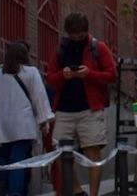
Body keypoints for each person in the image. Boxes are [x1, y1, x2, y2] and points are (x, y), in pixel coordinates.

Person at [47, 12, 117, 196]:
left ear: (87, 31)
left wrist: (90, 74)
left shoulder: (97, 47)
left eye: (81, 35)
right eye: (73, 35)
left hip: (90, 109)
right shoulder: (61, 49)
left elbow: (111, 75)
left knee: (92, 151)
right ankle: (78, 191)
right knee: (59, 153)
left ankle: (93, 194)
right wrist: (63, 75)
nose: (77, 38)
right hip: (64, 109)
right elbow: (50, 79)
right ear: (68, 33)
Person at [0, 42, 54, 196]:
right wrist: (44, 121)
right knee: (19, 160)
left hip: (3, 126)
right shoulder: (31, 72)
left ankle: (2, 189)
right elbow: (39, 98)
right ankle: (15, 192)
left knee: (3, 157)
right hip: (23, 126)